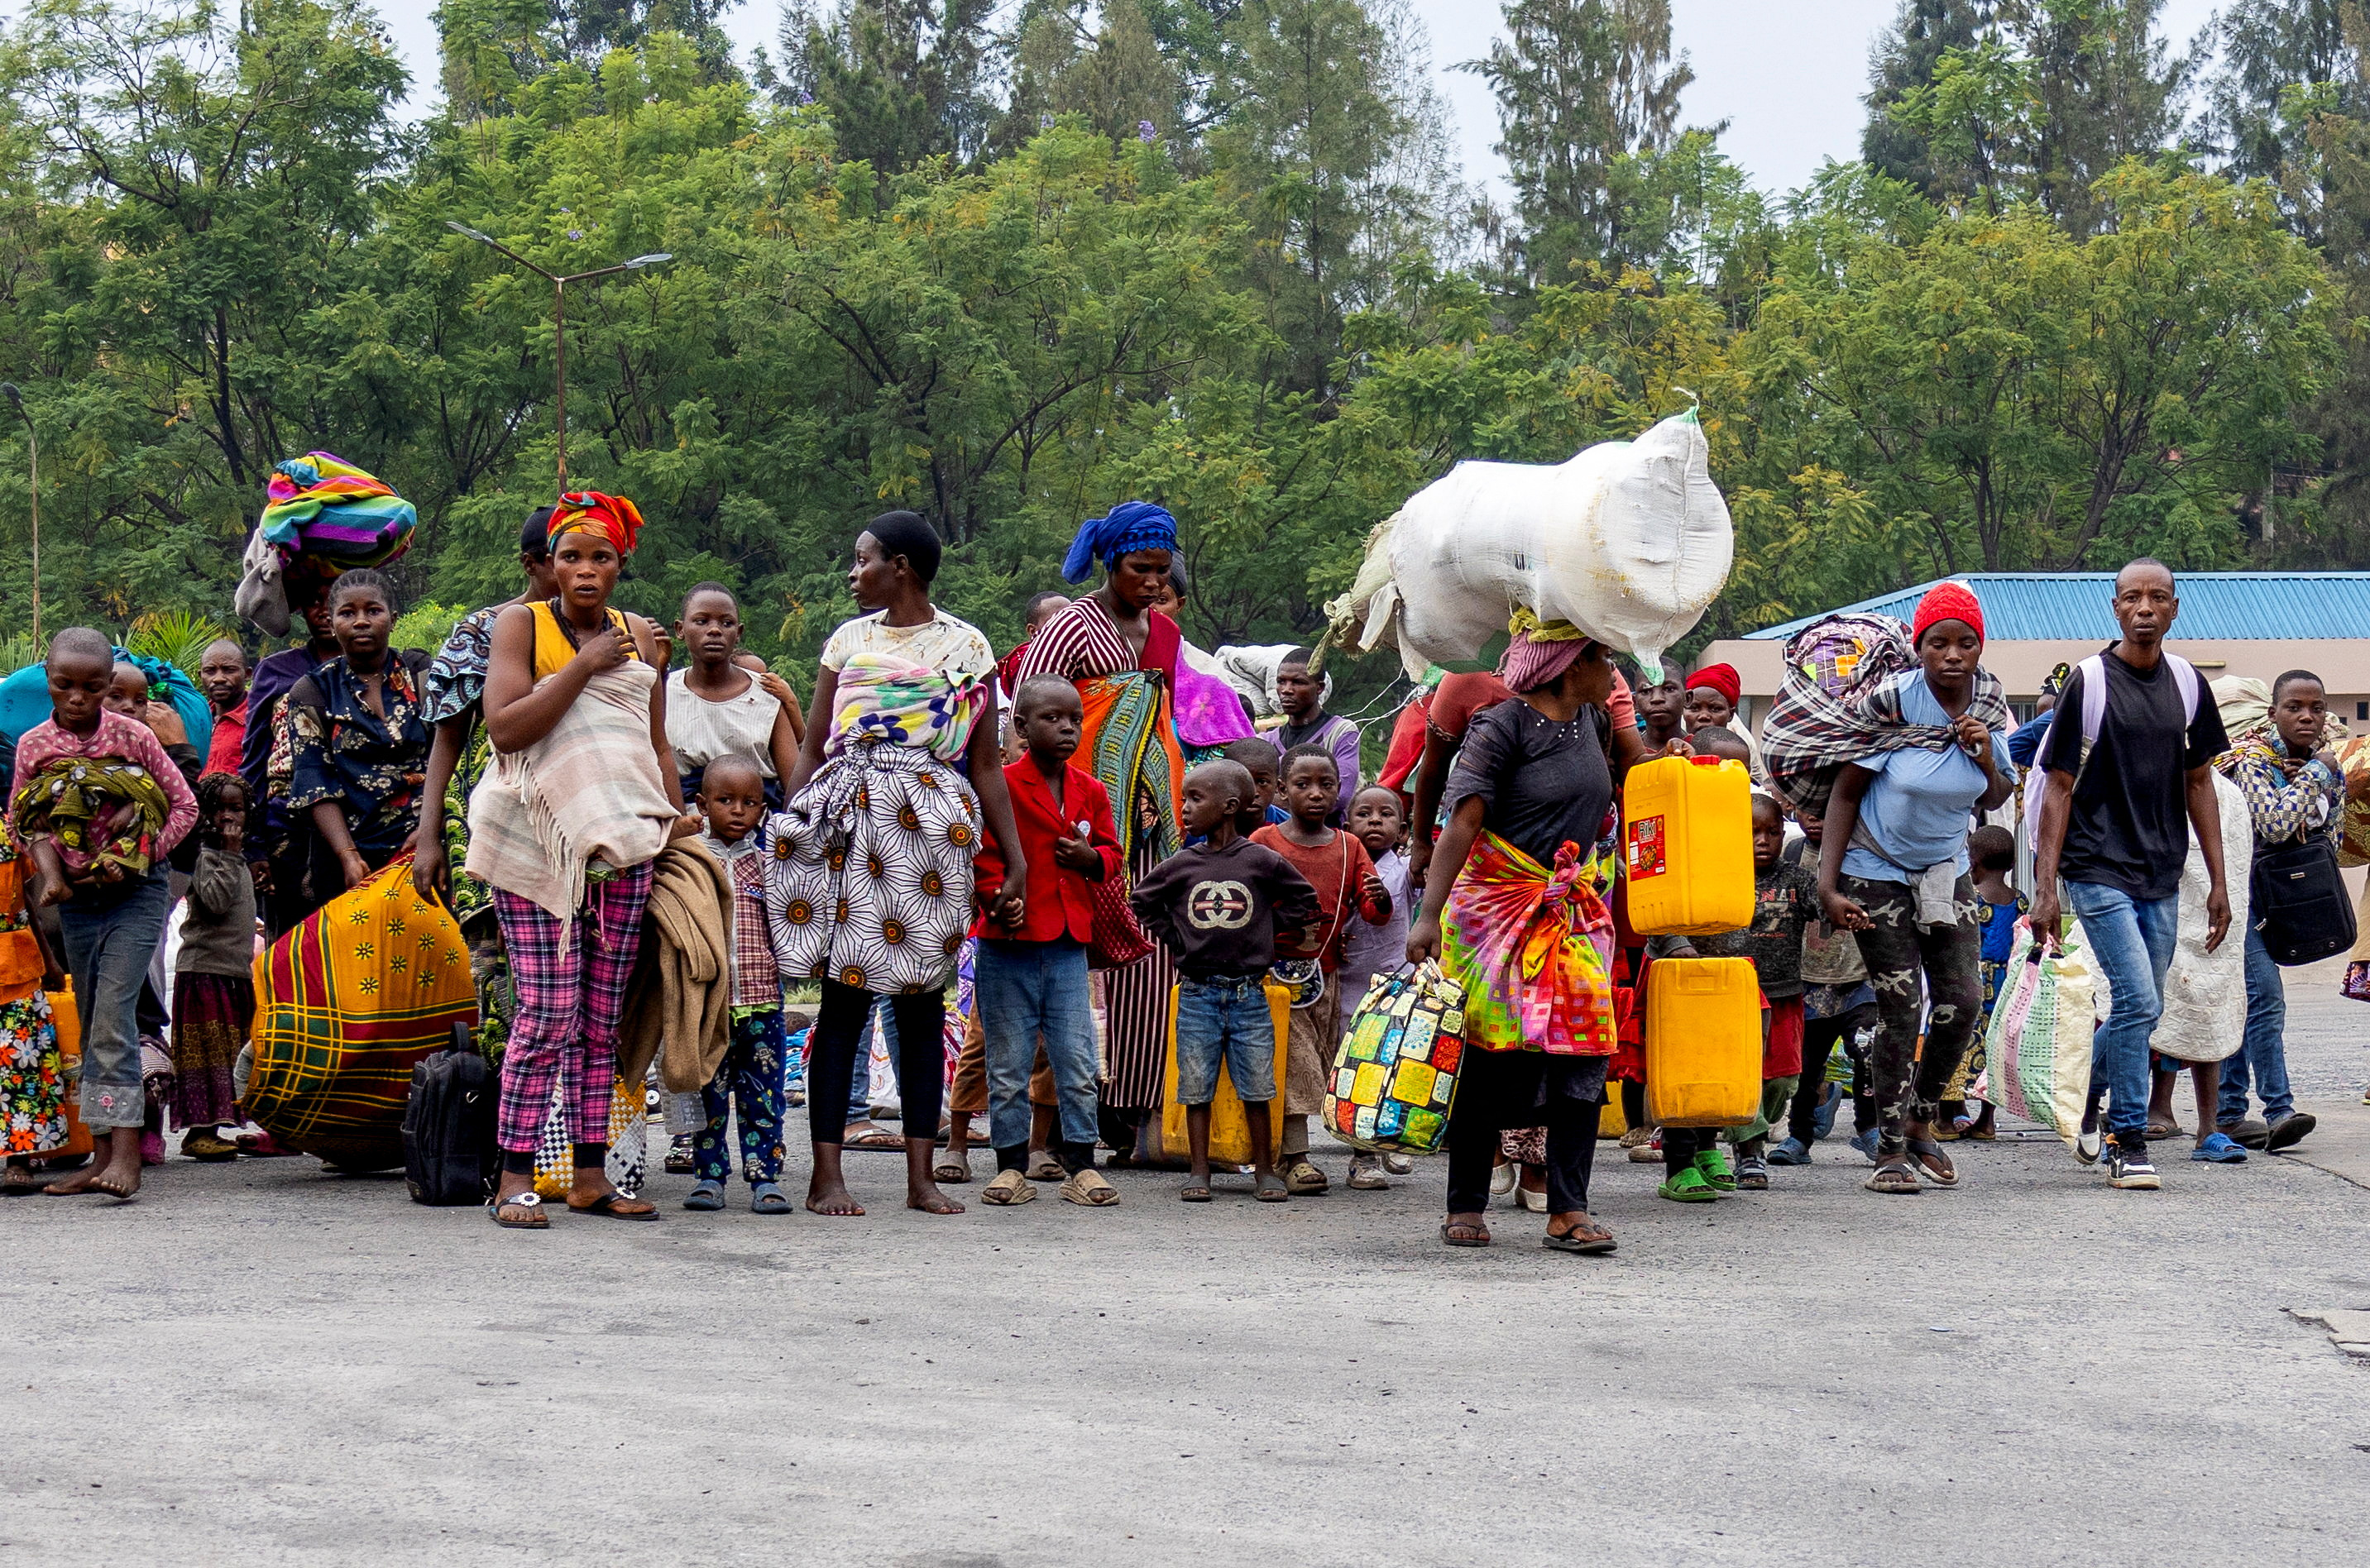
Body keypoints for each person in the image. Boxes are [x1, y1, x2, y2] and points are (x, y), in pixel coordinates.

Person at [769, 509, 1026, 1218]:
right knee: (844, 1001)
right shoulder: (848, 640)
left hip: (933, 834)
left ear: (901, 566)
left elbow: (984, 764)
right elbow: (816, 743)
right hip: (850, 827)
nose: (854, 574)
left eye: (863, 560)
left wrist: (1014, 860)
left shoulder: (966, 646)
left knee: (919, 1005)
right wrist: (792, 829)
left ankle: (921, 1180)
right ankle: (827, 1177)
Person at [472, 492, 689, 1229]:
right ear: (551, 567)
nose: (586, 570)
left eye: (601, 557)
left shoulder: (642, 636)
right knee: (546, 1013)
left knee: (602, 1021)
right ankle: (511, 1178)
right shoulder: (521, 624)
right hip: (540, 843)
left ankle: (590, 1176)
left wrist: (671, 812)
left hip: (623, 843)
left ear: (621, 565)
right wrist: (586, 663)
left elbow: (652, 741)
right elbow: (505, 729)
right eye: (572, 557)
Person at [1406, 619, 1625, 1255]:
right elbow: (1463, 821)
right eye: (1601, 658)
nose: (1612, 671)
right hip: (1492, 914)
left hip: (1569, 914)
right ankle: (1466, 1203)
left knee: (1583, 1058)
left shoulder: (1596, 723)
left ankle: (1568, 1209)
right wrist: (1427, 916)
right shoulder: (1497, 726)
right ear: (1566, 665)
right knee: (1489, 1059)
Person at [2031, 560, 2232, 1193]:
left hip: (2160, 869)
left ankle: (2085, 1095)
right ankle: (2126, 1139)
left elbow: (2198, 780)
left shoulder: (2186, 683)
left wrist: (2219, 880)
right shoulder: (2088, 683)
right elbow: (2056, 788)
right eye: (2131, 598)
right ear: (2114, 608)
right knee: (2140, 1000)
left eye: (2156, 598)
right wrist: (2044, 887)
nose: (2144, 608)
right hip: (2095, 867)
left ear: (2174, 609)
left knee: (2138, 1012)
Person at [1816, 584, 2013, 1195]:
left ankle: (1922, 1114)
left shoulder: (1986, 702)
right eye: (1938, 643)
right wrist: (1826, 886)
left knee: (1962, 1001)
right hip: (1873, 871)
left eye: (1965, 642)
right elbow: (1844, 794)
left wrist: (1983, 755)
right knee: (1899, 1009)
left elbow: (1997, 797)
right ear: (1918, 649)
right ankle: (1890, 1150)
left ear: (1979, 649)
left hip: (1942, 868)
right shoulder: (1892, 706)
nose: (1952, 654)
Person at [1013, 501, 1190, 1154]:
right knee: (1074, 960)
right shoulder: (1073, 626)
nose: (1152, 583)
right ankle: (1057, 1119)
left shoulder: (1163, 634)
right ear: (1111, 562)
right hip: (1076, 818)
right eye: (1140, 569)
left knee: (1150, 958)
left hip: (1151, 820)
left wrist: (1159, 796)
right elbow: (1031, 715)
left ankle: (1132, 1111)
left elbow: (1160, 719)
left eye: (1162, 571)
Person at [12, 627, 199, 1199]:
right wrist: (52, 871)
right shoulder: (33, 746)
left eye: (91, 688)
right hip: (75, 899)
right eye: (64, 685)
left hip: (134, 895)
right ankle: (98, 1155)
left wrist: (140, 855)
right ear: (48, 681)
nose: (76, 698)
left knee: (114, 1015)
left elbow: (185, 807)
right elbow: (24, 820)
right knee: (95, 1019)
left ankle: (127, 1155)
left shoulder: (135, 736)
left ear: (106, 686)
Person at [1131, 759, 1321, 1202]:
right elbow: (1143, 901)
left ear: (1230, 806)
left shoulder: (1261, 860)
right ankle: (1200, 1171)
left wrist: (1266, 932)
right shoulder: (1182, 863)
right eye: (1184, 799)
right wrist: (1176, 937)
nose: (1185, 808)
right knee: (1195, 1085)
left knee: (1258, 1085)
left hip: (1250, 994)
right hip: (1196, 991)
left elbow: (1304, 901)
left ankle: (1265, 1171)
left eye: (1196, 799)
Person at [970, 675, 1123, 1209]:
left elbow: (1111, 855)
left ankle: (1081, 1166)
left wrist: (1092, 860)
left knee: (1076, 1058)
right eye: (1051, 719)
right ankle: (1010, 1166)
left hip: (1065, 942)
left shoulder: (1091, 790)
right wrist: (995, 896)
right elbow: (979, 854)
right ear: (1020, 726)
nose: (1065, 729)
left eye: (1073, 720)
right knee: (1007, 1062)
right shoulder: (1001, 785)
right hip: (1007, 939)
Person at [1651, 791, 1814, 1193]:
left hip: (1781, 992)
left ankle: (1727, 1137)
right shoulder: (1712, 871)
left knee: (1782, 1079)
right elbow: (1663, 905)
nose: (1763, 841)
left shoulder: (1794, 878)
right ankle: (1747, 1151)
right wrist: (1677, 943)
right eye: (1752, 832)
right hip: (1722, 995)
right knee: (1713, 1073)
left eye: (1772, 832)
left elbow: (1824, 902)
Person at [1252, 744, 1391, 1194]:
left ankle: (1356, 1154)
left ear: (1338, 792)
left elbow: (1373, 912)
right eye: (1302, 784)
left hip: (1327, 977)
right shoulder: (1265, 843)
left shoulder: (1349, 847)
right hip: (1274, 978)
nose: (1315, 793)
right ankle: (1296, 1157)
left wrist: (1380, 899)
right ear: (1281, 789)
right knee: (1296, 1061)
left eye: (1326, 785)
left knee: (1334, 1062)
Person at [2212, 667, 2338, 1154]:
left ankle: (2228, 1113)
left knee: (2246, 1004)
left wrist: (2311, 780)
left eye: (2317, 708)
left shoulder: (2317, 761)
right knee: (2264, 999)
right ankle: (2279, 1109)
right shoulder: (2253, 761)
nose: (2307, 717)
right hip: (2235, 899)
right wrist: (2314, 776)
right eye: (2294, 708)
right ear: (2273, 713)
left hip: (2279, 901)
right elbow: (2277, 823)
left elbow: (2333, 830)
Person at [679, 754, 792, 1215]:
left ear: (763, 811)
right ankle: (709, 1177)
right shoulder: (691, 861)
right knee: (709, 1093)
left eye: (750, 802)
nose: (739, 811)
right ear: (703, 804)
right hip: (708, 1004)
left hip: (761, 1000)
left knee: (763, 1095)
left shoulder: (769, 865)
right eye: (726, 800)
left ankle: (765, 1177)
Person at [283, 570, 431, 911]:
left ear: (393, 619)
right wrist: (347, 856)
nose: (361, 621)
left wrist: (431, 830)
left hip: (425, 849)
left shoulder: (420, 675)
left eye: (373, 611)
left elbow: (448, 755)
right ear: (332, 623)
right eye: (348, 613)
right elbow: (314, 780)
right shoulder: (312, 692)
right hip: (350, 859)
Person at [1771, 801, 1879, 1166]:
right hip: (1808, 979)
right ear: (1791, 807)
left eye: (1826, 809)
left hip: (1859, 975)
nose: (1815, 818)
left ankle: (1870, 1128)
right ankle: (1799, 1134)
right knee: (1806, 1064)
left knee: (1867, 1053)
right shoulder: (1793, 852)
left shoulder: (1865, 849)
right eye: (1808, 810)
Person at [243, 583, 341, 936]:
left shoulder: (380, 668)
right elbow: (255, 760)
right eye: (315, 601)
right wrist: (253, 846)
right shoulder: (277, 670)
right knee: (292, 946)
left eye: (335, 602)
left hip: (364, 830)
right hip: (287, 831)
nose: (325, 611)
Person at [169, 773, 257, 1162]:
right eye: (218, 809)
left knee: (227, 1053)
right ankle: (199, 1132)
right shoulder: (207, 856)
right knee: (206, 1056)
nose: (227, 817)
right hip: (204, 969)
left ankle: (217, 1127)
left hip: (232, 971)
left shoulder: (234, 857)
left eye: (235, 809)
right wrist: (230, 852)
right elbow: (217, 901)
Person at [1338, 785, 1415, 1187]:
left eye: (1386, 815)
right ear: (1347, 825)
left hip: (1396, 978)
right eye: (1363, 814)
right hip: (1349, 981)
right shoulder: (1343, 861)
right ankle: (1362, 1155)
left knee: (1394, 1063)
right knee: (1357, 1068)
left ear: (1402, 832)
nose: (1374, 821)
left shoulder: (1405, 869)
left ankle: (1391, 1140)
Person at [667, 583, 802, 806]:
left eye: (726, 623)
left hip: (757, 830)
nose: (715, 630)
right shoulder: (663, 692)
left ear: (738, 633)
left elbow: (795, 785)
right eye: (702, 621)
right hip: (685, 826)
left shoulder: (765, 694)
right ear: (680, 629)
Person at [1940, 825, 2024, 1141]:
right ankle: (1986, 1122)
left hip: (1971, 980)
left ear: (1971, 863)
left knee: (1957, 1043)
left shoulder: (1969, 900)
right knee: (1995, 1050)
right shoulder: (2021, 901)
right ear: (2013, 864)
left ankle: (1946, 1120)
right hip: (2007, 985)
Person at [0, 827, 65, 1193]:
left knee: (19, 1065)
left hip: (16, 962)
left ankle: (19, 1157)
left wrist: (50, 961)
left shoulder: (7, 832)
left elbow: (25, 898)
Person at [1271, 650, 1361, 824]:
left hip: (1329, 837)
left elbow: (1340, 797)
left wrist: (1276, 799)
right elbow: (1255, 797)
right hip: (1276, 842)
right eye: (1281, 682)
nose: (1287, 690)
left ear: (1319, 687)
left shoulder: (1341, 732)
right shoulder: (1268, 740)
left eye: (1298, 682)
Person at [199, 638, 250, 778]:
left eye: (229, 670)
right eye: (210, 671)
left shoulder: (260, 719)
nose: (218, 678)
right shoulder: (195, 719)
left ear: (247, 674)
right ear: (200, 675)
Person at [1637, 671, 1686, 751]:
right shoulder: (1624, 754)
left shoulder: (1701, 749)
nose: (1657, 698)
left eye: (1669, 689)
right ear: (1635, 702)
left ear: (1687, 698)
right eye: (1646, 691)